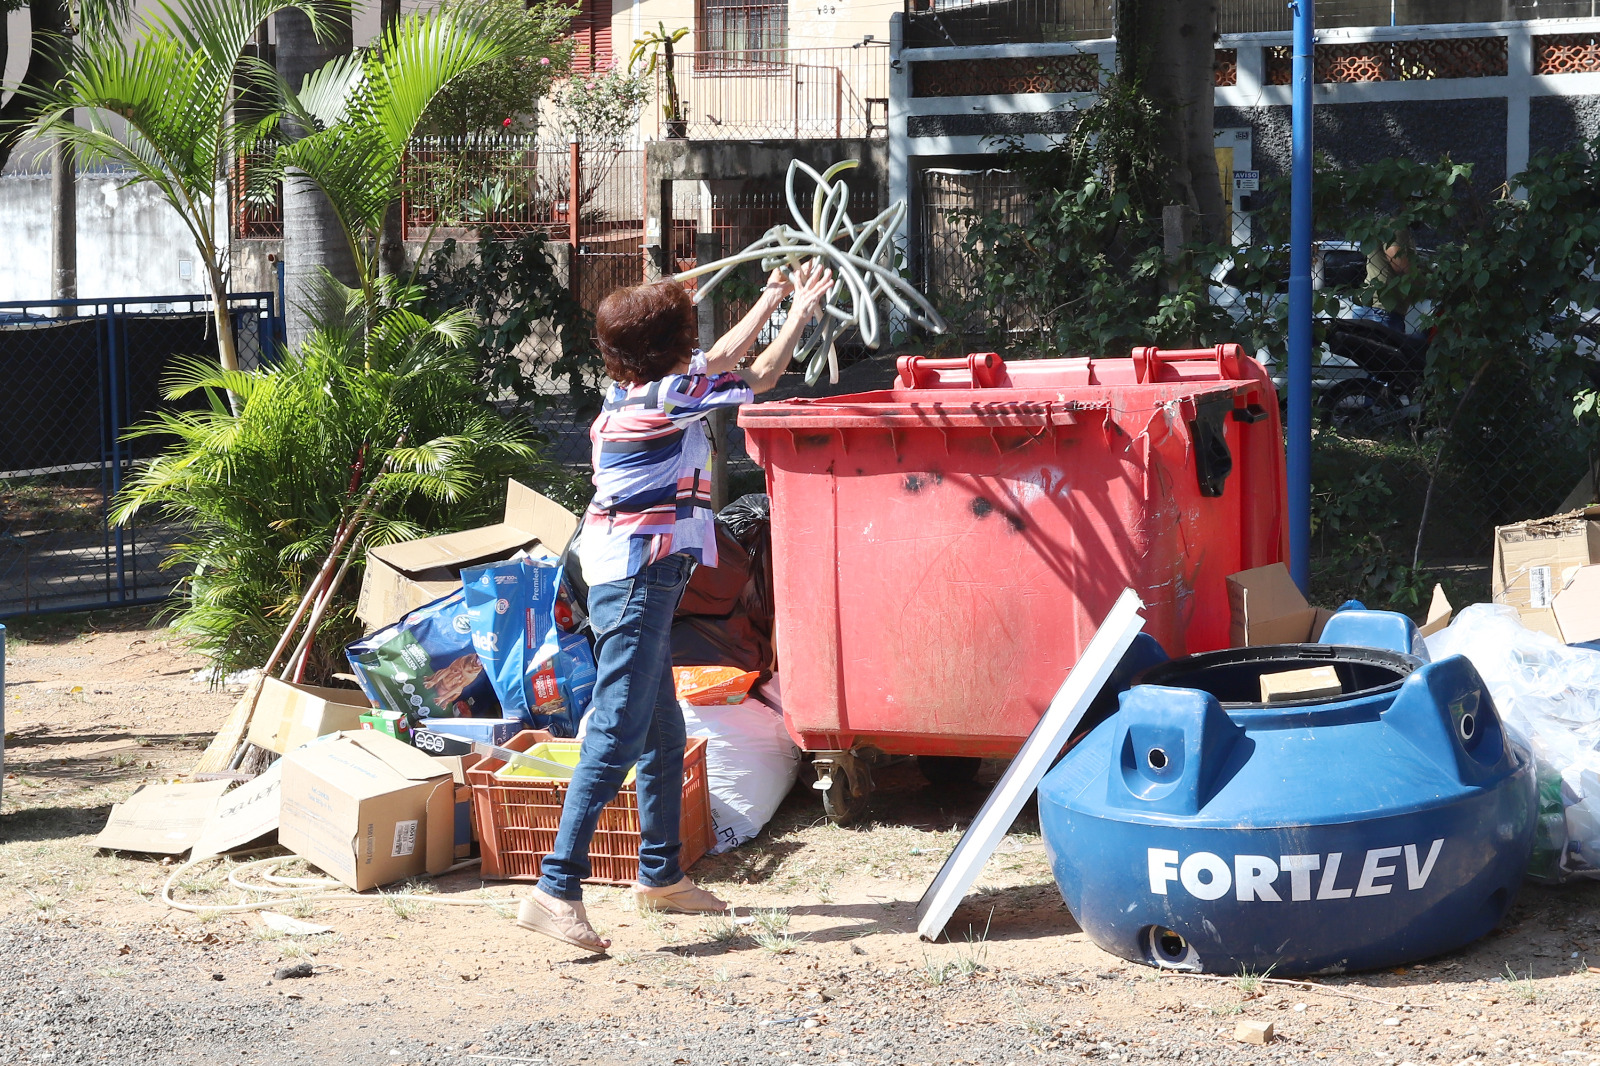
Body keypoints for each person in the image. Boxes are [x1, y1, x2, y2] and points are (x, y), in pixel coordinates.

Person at [516, 261, 834, 953]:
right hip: (634, 578)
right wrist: (799, 309)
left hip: (629, 573)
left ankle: (660, 875)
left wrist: (775, 296)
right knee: (619, 732)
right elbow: (761, 375)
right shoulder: (665, 402)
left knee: (662, 731)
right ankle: (555, 887)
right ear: (670, 349)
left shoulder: (632, 390)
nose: (698, 346)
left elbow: (717, 359)